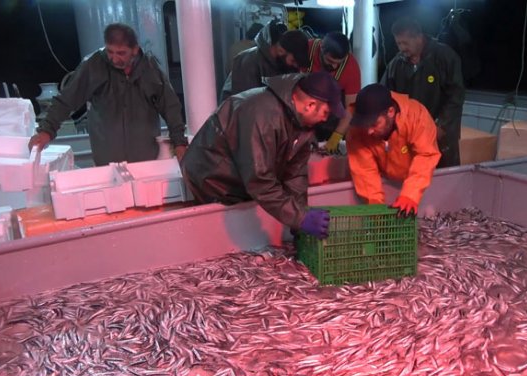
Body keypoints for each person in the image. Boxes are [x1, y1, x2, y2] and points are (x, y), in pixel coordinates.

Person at [182, 72, 346, 239]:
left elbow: (295, 175)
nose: (325, 119)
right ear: (310, 105)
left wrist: (299, 217)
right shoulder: (262, 114)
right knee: (218, 234)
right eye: (326, 112)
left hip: (241, 175)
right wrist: (300, 218)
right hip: (211, 174)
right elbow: (259, 180)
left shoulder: (303, 125)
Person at [28, 23, 187, 166]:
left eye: (121, 53)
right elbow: (66, 100)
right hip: (107, 161)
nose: (114, 58)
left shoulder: (150, 68)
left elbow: (170, 106)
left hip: (146, 160)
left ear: (135, 49)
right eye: (110, 51)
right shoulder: (94, 65)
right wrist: (46, 131)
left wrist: (179, 142)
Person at [346, 84, 441, 218]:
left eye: (374, 124)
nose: (369, 131)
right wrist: (375, 206)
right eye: (365, 125)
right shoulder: (357, 130)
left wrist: (410, 194)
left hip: (422, 183)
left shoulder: (416, 115)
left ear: (390, 112)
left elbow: (426, 154)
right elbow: (364, 170)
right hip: (386, 181)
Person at [381, 17, 464, 168]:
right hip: (407, 138)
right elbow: (385, 96)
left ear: (419, 37)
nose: (401, 48)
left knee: (442, 180)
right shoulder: (395, 65)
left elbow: (455, 97)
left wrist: (441, 127)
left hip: (440, 137)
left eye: (405, 43)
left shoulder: (444, 56)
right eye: (398, 43)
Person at [220, 22, 309, 101]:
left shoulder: (281, 64)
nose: (295, 66)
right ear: (281, 50)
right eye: (293, 61)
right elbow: (245, 105)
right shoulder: (249, 62)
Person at [305, 31, 361, 153]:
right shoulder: (306, 50)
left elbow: (351, 108)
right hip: (303, 113)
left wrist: (336, 137)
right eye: (330, 61)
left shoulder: (351, 67)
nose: (334, 66)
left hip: (331, 121)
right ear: (321, 49)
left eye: (338, 63)